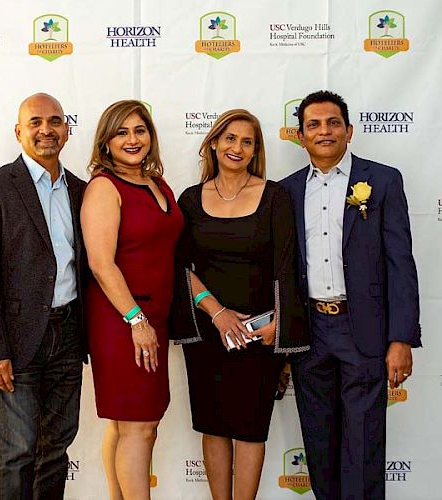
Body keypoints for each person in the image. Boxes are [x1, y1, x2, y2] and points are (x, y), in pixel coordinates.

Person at [280, 90, 421, 500]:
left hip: (365, 330)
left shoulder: (383, 180)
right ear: (301, 136)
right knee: (319, 446)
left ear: (349, 130)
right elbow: (283, 271)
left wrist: (401, 339)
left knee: (364, 446)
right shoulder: (285, 191)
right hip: (309, 333)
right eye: (313, 125)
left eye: (333, 123)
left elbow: (401, 264)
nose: (324, 131)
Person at [171, 109, 309, 499]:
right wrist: (216, 312)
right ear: (213, 143)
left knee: (250, 429)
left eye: (247, 141)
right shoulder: (191, 199)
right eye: (229, 138)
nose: (237, 147)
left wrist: (277, 326)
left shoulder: (275, 196)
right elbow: (179, 267)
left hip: (258, 335)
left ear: (255, 150)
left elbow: (287, 265)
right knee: (213, 427)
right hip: (209, 332)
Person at [0, 93, 86, 499]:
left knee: (55, 450)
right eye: (35, 122)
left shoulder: (83, 192)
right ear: (19, 132)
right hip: (15, 343)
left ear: (67, 131)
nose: (46, 129)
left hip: (69, 336)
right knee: (17, 453)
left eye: (55, 121)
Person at [81, 100, 183, 500]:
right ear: (106, 142)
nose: (132, 139)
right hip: (122, 320)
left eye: (140, 130)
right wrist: (136, 320)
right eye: (121, 132)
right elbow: (101, 263)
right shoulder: (105, 187)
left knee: (134, 425)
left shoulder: (159, 184)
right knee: (138, 427)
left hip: (153, 317)